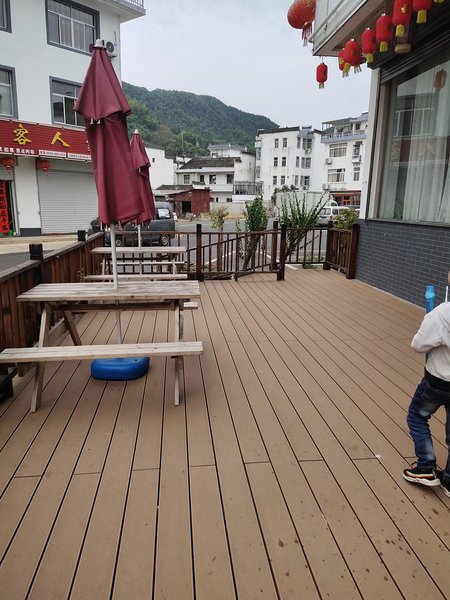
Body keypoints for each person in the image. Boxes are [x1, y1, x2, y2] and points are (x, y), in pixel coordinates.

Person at [402, 302, 450, 497]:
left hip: (438, 381)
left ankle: (425, 467)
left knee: (417, 416)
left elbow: (419, 345)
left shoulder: (443, 312)